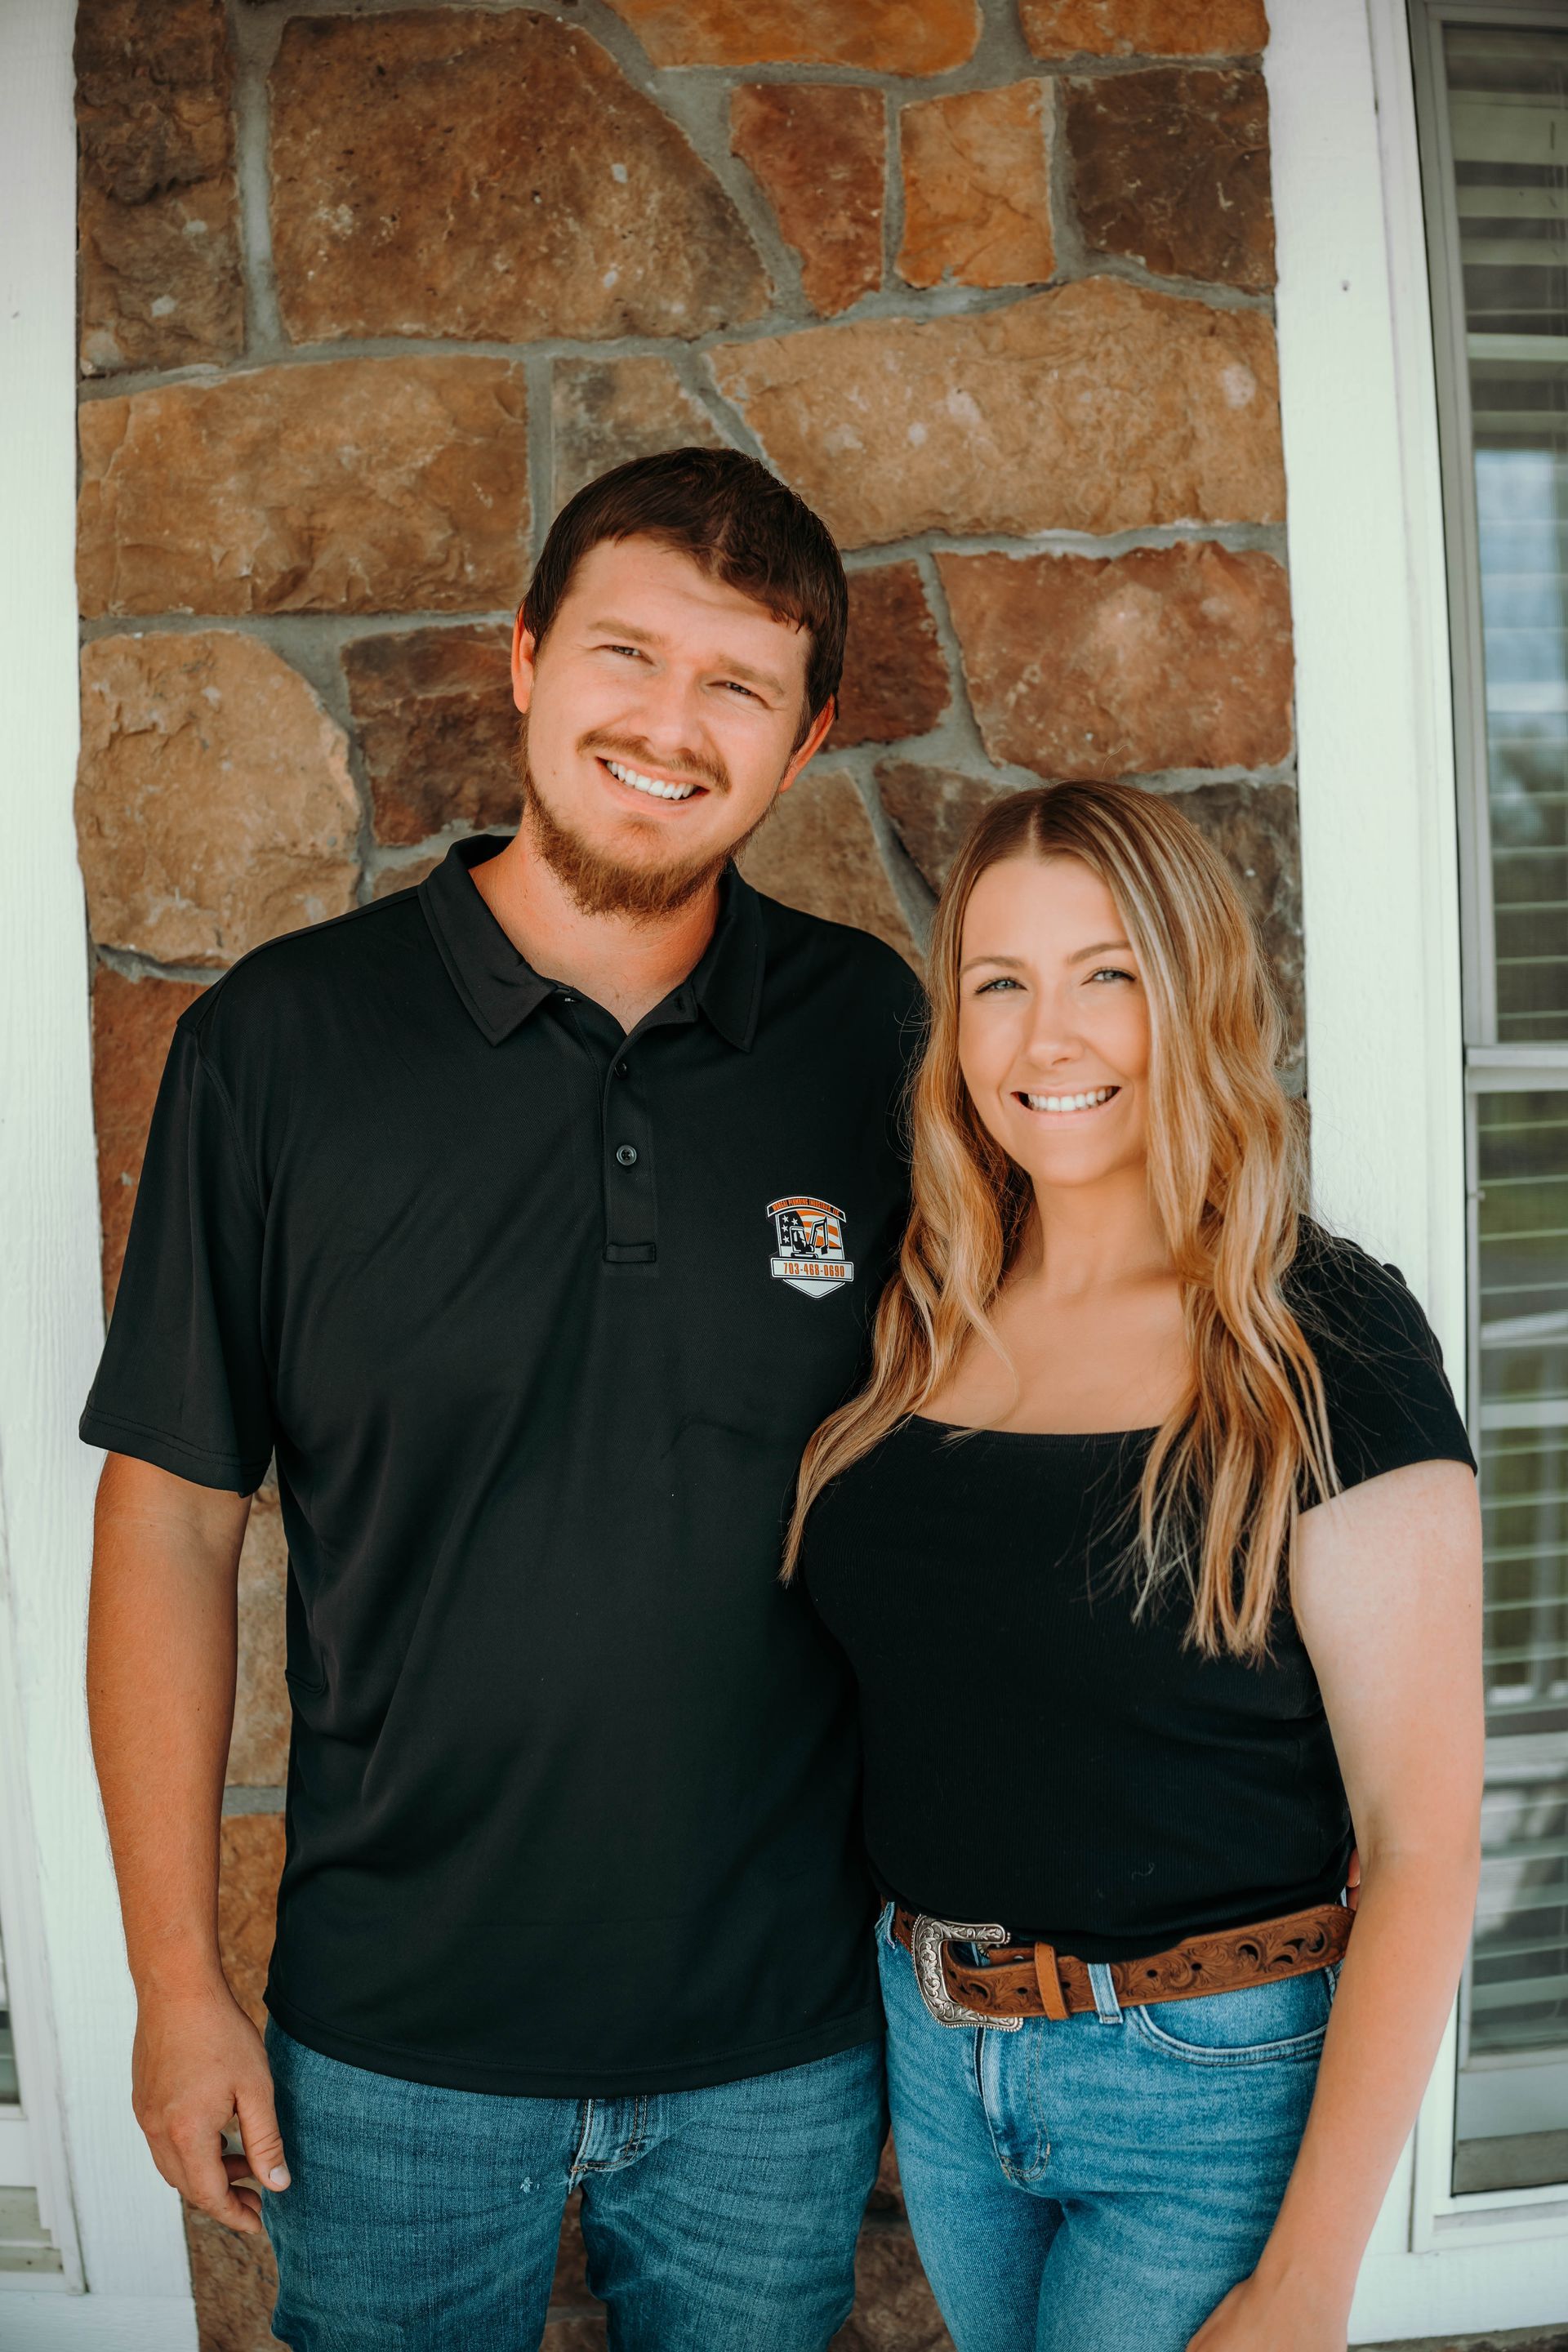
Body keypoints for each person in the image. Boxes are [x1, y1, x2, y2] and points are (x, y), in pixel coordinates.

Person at [81, 449, 924, 2352]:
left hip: (778, 2054)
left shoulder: (875, 1040)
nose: (671, 724)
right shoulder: (278, 1048)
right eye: (627, 653)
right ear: (525, 660)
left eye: (739, 685)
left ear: (805, 740)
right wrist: (174, 1985)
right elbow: (171, 1524)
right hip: (393, 2053)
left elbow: (1013, 1460)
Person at [788, 781, 1483, 2352]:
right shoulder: (917, 1313)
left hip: (1206, 2084)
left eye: (1109, 975)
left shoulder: (1322, 1338)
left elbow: (1427, 1841)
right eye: (1002, 984)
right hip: (943, 2053)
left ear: (1196, 994)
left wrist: (1306, 2287)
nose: (1052, 1039)